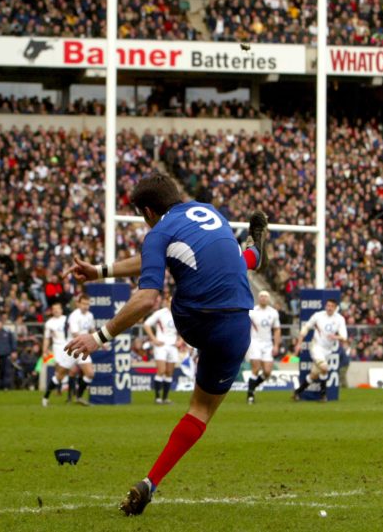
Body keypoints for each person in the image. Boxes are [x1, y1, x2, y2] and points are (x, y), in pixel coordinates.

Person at [63, 173, 267, 516]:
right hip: (237, 326)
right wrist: (101, 270)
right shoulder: (208, 211)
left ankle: (252, 254)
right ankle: (254, 255)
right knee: (200, 411)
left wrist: (99, 337)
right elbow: (160, 256)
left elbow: (145, 299)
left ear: (147, 211)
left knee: (174, 288)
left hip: (197, 319)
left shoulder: (160, 232)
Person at [291, 298, 347, 402]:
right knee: (325, 368)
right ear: (325, 306)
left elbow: (344, 336)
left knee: (315, 374)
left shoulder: (340, 319)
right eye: (328, 305)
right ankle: (323, 395)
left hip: (328, 350)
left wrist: (336, 337)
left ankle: (297, 392)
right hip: (316, 346)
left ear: (335, 308)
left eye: (332, 306)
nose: (329, 308)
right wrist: (299, 343)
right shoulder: (318, 316)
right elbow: (306, 327)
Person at [143, 294, 180, 405]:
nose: (171, 303)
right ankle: (157, 398)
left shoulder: (179, 313)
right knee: (161, 370)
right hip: (161, 345)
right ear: (166, 302)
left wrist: (180, 340)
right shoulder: (160, 313)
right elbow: (146, 324)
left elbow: (186, 327)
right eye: (169, 301)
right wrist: (154, 339)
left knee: (169, 372)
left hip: (173, 345)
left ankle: (165, 398)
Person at [245, 290, 280, 404]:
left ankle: (252, 387)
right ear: (258, 298)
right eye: (261, 296)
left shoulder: (274, 312)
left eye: (265, 296)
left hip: (268, 344)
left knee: (267, 372)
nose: (263, 298)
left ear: (268, 298)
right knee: (255, 368)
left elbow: (277, 329)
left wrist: (276, 345)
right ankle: (250, 396)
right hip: (255, 342)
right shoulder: (253, 311)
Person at [66, 293, 97, 404]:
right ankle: (78, 397)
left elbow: (92, 330)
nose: (86, 306)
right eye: (84, 304)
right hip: (76, 346)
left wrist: (101, 342)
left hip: (83, 346)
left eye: (88, 304)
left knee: (73, 372)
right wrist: (85, 344)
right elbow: (75, 334)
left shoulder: (90, 315)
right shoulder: (74, 316)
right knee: (90, 373)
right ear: (78, 304)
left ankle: (71, 398)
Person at [0, 315, 18, 392]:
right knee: (1, 371)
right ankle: (1, 386)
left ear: (2, 324)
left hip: (7, 354)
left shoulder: (7, 332)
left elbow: (13, 342)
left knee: (7, 371)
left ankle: (6, 386)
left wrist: (14, 351)